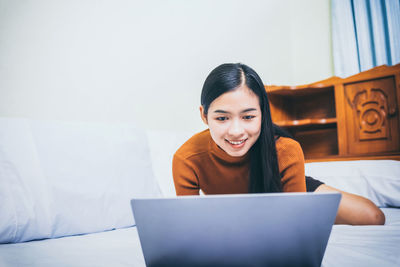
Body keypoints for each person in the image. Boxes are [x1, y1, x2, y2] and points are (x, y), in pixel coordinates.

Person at [172, 63, 385, 225]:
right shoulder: (187, 159)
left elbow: (293, 227)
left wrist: (299, 209)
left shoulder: (286, 150)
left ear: (263, 113)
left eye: (248, 117)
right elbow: (190, 224)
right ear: (204, 115)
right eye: (222, 118)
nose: (236, 131)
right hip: (236, 207)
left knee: (372, 216)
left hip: (282, 185)